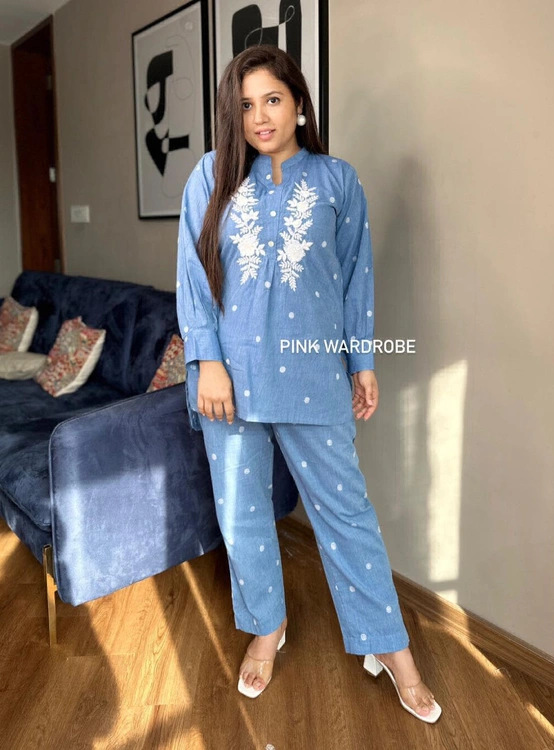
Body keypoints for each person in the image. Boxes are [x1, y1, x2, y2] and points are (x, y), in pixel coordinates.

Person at [176, 44, 441, 723]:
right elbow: (193, 277)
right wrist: (207, 361)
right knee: (243, 515)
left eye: (272, 99)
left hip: (312, 373)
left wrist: (362, 361)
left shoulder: (336, 181)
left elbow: (356, 279)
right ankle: (268, 628)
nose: (260, 117)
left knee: (346, 513)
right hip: (229, 380)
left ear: (298, 103)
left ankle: (389, 646)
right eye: (245, 105)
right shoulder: (210, 176)